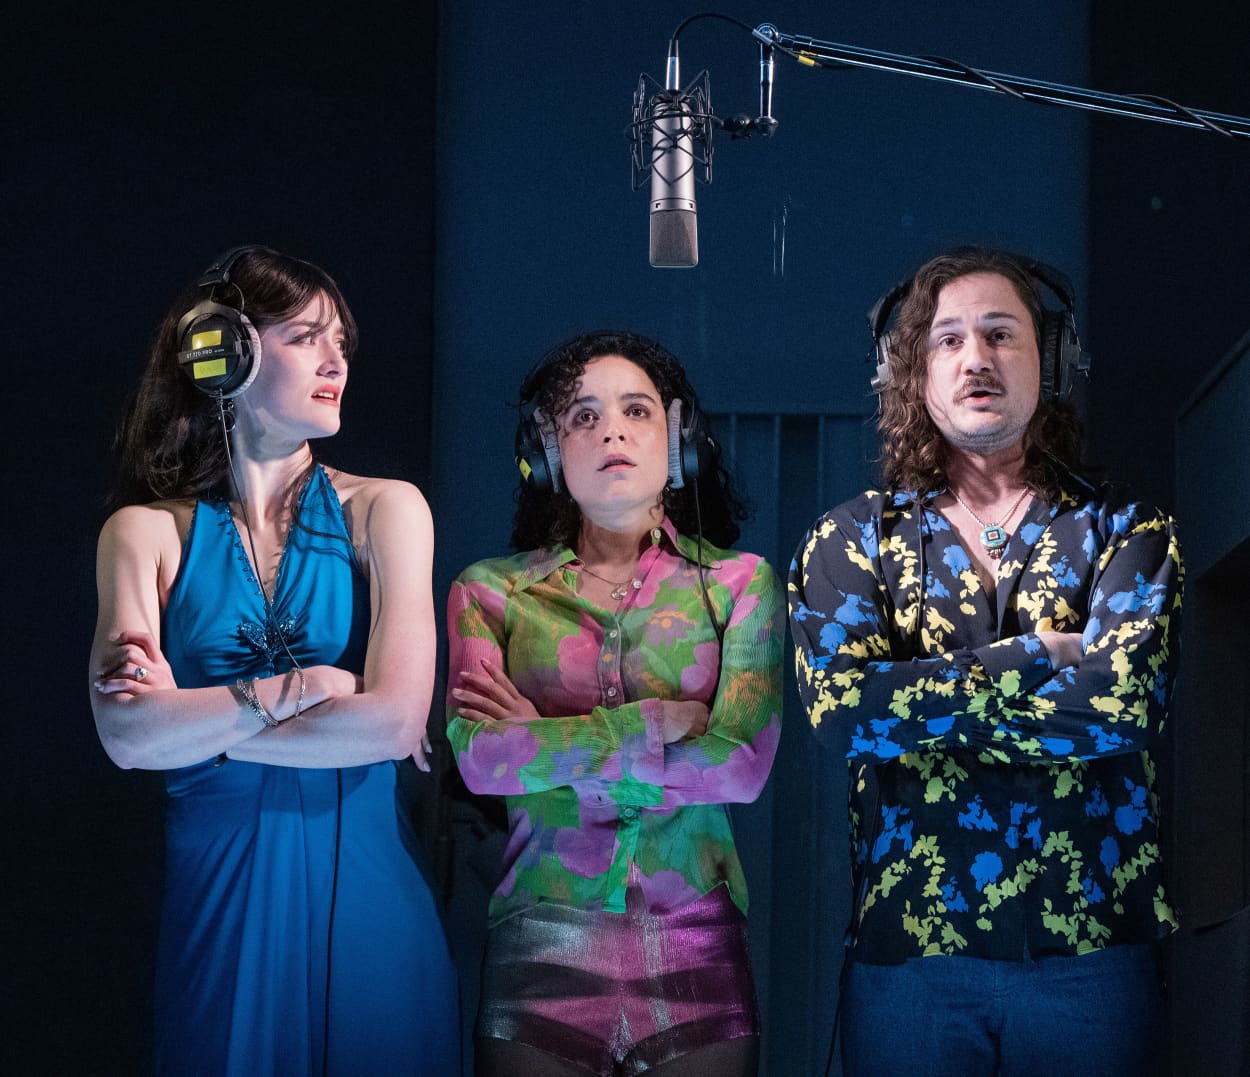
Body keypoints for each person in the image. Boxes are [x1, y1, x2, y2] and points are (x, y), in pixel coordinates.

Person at [788, 246, 1183, 1075]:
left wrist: (922, 708)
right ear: (911, 372)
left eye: (1001, 334)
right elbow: (845, 713)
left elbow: (1120, 705)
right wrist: (1034, 655)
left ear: (1052, 357)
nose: (977, 358)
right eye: (949, 339)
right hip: (912, 958)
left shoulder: (1126, 529)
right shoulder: (851, 539)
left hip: (1093, 951)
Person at [89, 246, 459, 1075]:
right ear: (225, 352)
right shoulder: (144, 533)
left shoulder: (386, 509)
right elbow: (126, 736)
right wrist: (309, 687)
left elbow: (394, 722)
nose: (336, 362)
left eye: (341, 342)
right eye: (305, 337)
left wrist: (193, 726)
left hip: (369, 896)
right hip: (220, 906)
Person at [445, 330, 783, 1077]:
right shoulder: (489, 591)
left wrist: (546, 740)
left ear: (678, 441)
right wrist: (657, 726)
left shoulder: (740, 584)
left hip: (697, 941)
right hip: (539, 938)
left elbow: (741, 770)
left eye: (636, 410)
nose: (612, 432)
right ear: (547, 451)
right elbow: (482, 761)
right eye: (583, 416)